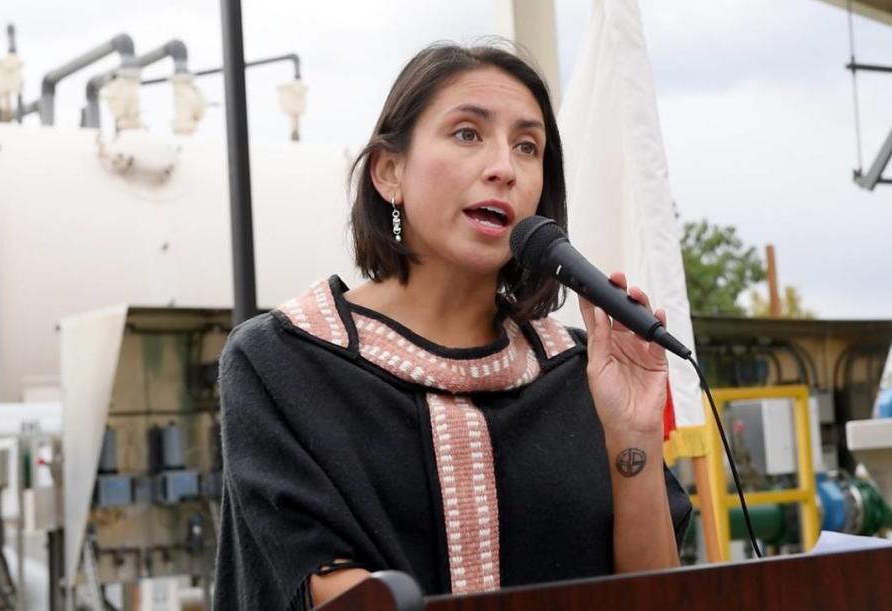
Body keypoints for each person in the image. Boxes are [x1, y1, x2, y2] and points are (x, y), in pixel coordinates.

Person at [214, 42, 691, 611]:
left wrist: (631, 433)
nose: (503, 168)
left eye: (527, 146)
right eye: (468, 134)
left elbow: (657, 597)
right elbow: (320, 587)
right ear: (389, 171)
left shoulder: (582, 373)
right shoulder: (285, 361)